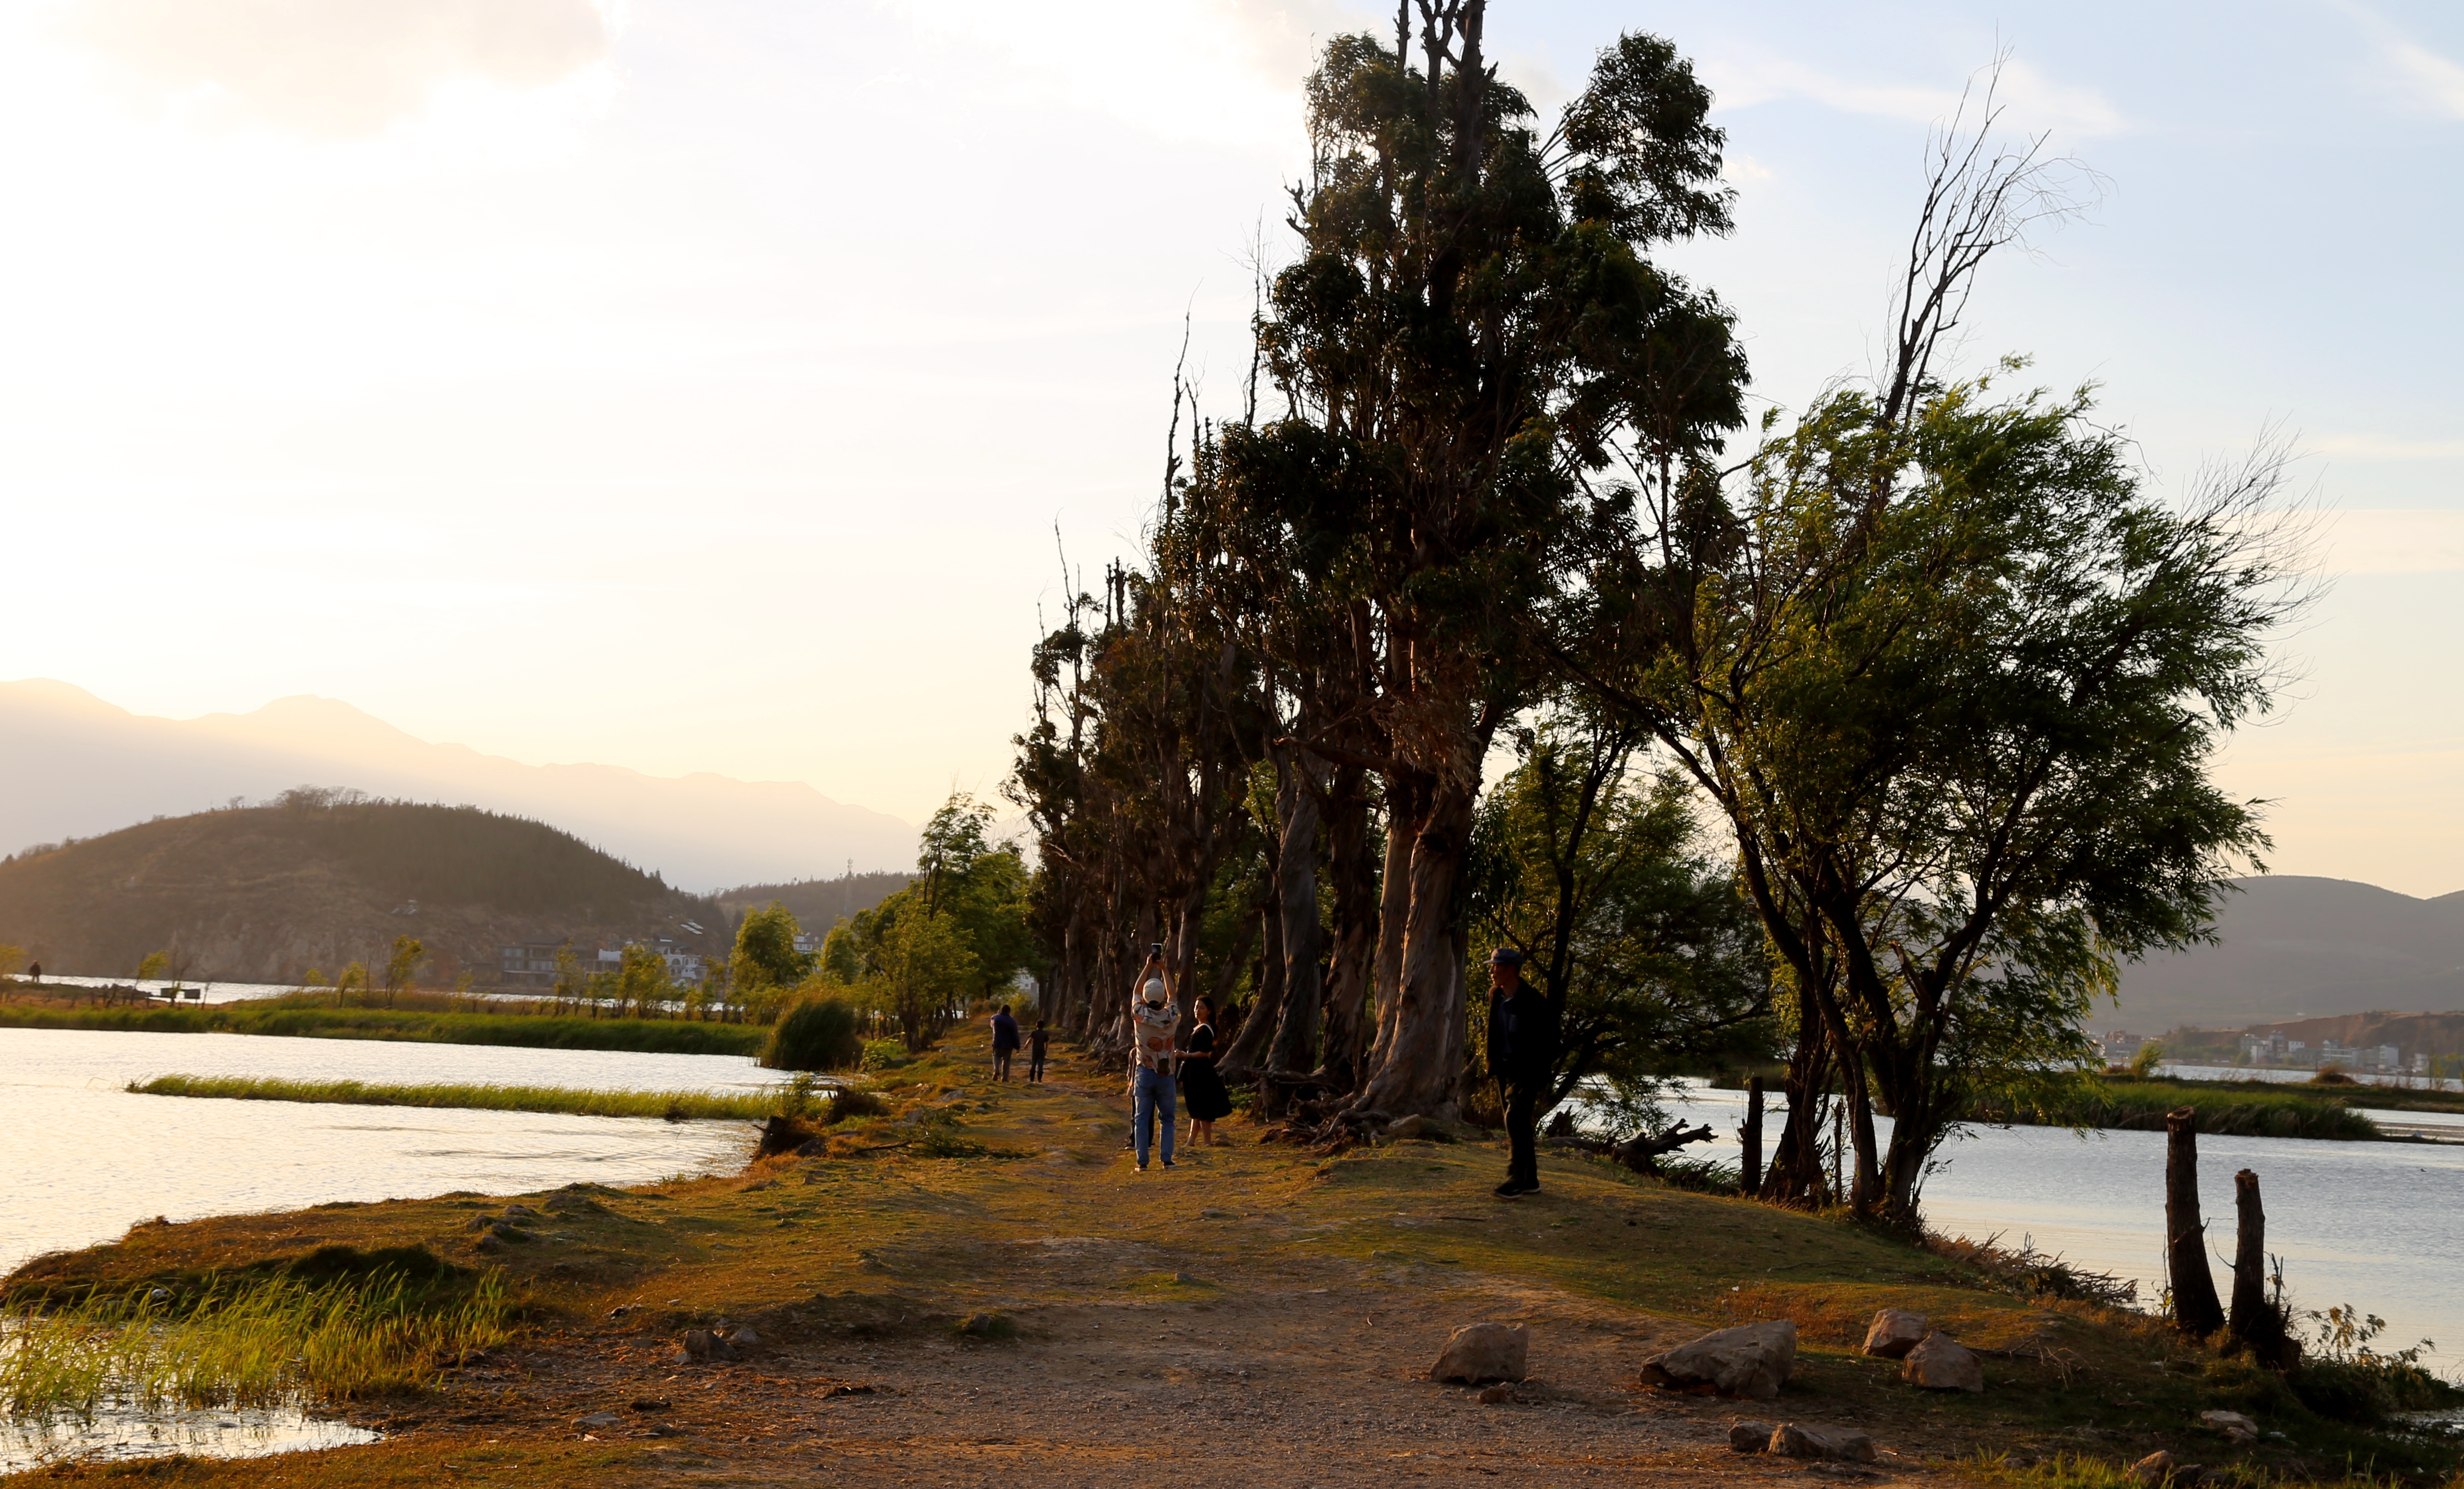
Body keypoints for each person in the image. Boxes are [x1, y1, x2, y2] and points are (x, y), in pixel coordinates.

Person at [1486, 947, 1557, 1198]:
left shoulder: (1534, 1002)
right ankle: (1531, 1181)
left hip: (1528, 1069)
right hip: (1505, 1066)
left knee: (1514, 1119)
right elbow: (1495, 1032)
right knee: (1520, 1124)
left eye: (1498, 967)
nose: (1493, 971)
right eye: (1492, 966)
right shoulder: (1496, 995)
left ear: (1512, 970)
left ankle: (1514, 1180)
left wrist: (1536, 1070)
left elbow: (1550, 1041)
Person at [1127, 952, 1181, 1171]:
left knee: (1141, 1118)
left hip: (1144, 1071)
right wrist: (1165, 970)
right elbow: (1174, 995)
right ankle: (1166, 1160)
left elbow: (1136, 991)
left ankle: (1142, 1162)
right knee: (1167, 1119)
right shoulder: (1172, 1015)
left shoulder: (1138, 1013)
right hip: (1166, 1073)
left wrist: (1148, 967)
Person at [1177, 995, 1233, 1147]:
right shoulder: (1198, 1028)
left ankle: (1207, 1142)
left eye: (1201, 1008)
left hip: (1201, 1072)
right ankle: (1191, 1141)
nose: (1198, 1010)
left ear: (1209, 1011)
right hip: (1194, 1071)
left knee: (1203, 1108)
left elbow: (1205, 1053)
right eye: (1196, 1007)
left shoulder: (1206, 1030)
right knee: (1196, 1108)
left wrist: (1186, 1055)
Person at [989, 1004, 1021, 1082]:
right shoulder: (1012, 1021)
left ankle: (996, 1069)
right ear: (1009, 1012)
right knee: (1006, 1061)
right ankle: (1005, 1079)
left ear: (1001, 1010)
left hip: (997, 1042)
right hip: (1008, 1045)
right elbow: (1015, 1035)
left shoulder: (995, 1018)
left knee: (996, 1057)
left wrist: (998, 1014)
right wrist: (1017, 1046)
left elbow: (992, 1023)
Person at [1027, 1018, 1050, 1082]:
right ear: (1043, 1026)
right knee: (1040, 1065)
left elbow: (1030, 1040)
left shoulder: (1034, 1033)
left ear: (1036, 1026)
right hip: (1042, 1051)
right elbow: (1046, 1043)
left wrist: (1026, 1045)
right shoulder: (1045, 1034)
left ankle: (1032, 1078)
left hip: (1035, 1050)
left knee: (1033, 1064)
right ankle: (1039, 1079)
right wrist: (1046, 1051)